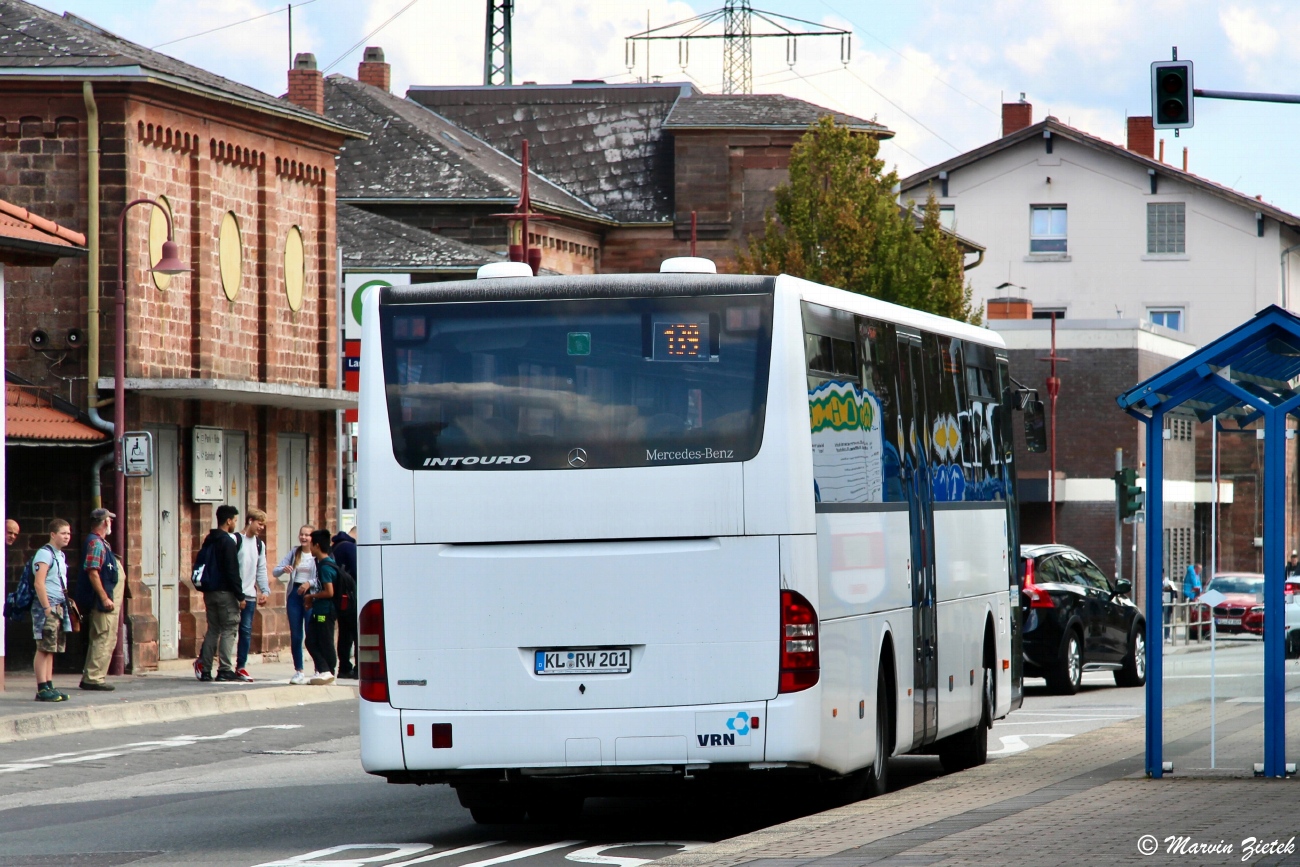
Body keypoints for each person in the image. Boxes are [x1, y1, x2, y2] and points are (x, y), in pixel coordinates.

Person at [196, 505, 245, 682]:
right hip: (225, 592)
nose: (235, 524)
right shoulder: (227, 541)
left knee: (213, 629)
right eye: (235, 520)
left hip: (210, 591)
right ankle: (225, 669)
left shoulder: (209, 539)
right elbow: (232, 571)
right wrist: (240, 596)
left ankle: (206, 669)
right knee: (229, 629)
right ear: (229, 520)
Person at [79, 508, 122, 691]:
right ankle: (94, 677)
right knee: (103, 638)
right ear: (105, 522)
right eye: (109, 520)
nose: (110, 523)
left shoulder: (100, 543)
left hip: (108, 599)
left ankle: (92, 675)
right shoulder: (96, 544)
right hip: (104, 601)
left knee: (104, 637)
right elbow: (93, 572)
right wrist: (104, 597)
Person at [31, 519, 72, 702]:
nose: (67, 537)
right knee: (43, 646)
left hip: (59, 605)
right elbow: (39, 582)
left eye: (69, 533)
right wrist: (47, 607)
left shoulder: (60, 555)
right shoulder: (44, 554)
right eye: (63, 533)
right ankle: (41, 688)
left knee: (52, 647)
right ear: (53, 534)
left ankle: (49, 684)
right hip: (48, 606)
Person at [274, 524, 317, 685]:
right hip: (294, 595)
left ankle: (318, 668)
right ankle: (299, 670)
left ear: (313, 538)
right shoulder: (295, 552)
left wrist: (310, 583)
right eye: (302, 534)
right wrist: (284, 569)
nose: (304, 538)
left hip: (310, 595)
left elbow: (322, 576)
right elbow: (275, 571)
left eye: (308, 535)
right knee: (296, 634)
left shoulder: (315, 555)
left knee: (311, 634)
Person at [235, 508, 270, 681]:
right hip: (234, 594)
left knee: (246, 631)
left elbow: (261, 569)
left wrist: (264, 590)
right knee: (225, 630)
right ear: (250, 521)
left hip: (249, 594)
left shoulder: (259, 545)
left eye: (263, 525)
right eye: (259, 523)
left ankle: (241, 666)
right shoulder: (236, 540)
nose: (261, 528)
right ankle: (208, 661)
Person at [303, 529, 338, 685]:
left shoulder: (325, 566)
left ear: (317, 545)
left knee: (320, 640)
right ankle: (325, 670)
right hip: (320, 610)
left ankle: (327, 670)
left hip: (324, 611)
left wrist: (311, 596)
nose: (309, 547)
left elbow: (329, 591)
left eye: (311, 544)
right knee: (315, 640)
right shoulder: (324, 563)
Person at [330, 528, 358, 679]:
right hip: (352, 597)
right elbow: (357, 570)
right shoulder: (351, 547)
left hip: (340, 597)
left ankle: (344, 667)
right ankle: (358, 667)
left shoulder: (335, 547)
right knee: (356, 633)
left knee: (344, 633)